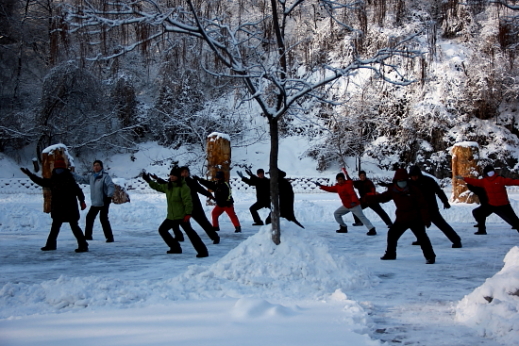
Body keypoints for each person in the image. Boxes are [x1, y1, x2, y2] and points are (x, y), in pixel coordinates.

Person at [367, 168, 436, 264]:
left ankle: (430, 257)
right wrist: (368, 199)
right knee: (392, 234)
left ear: (406, 180)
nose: (401, 182)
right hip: (402, 218)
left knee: (422, 238)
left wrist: (426, 219)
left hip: (415, 218)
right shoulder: (393, 190)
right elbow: (383, 197)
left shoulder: (414, 189)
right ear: (396, 181)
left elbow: (422, 204)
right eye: (399, 180)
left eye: (403, 180)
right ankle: (391, 254)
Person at [20, 159, 89, 252]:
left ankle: (83, 245)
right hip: (59, 207)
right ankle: (51, 245)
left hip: (69, 207)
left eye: (60, 168)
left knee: (72, 226)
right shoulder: (54, 179)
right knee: (56, 227)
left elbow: (78, 191)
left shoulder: (69, 179)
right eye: (57, 168)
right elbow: (41, 182)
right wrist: (30, 175)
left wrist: (82, 201)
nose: (58, 170)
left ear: (64, 169)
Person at [142, 167, 208, 257]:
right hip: (172, 216)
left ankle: (203, 251)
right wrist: (148, 180)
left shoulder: (183, 187)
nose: (172, 177)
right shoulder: (169, 186)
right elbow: (158, 186)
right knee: (162, 230)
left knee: (191, 233)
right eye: (171, 175)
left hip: (182, 216)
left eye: (174, 175)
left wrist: (188, 213)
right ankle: (175, 247)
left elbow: (188, 201)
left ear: (178, 177)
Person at [408, 165, 462, 248]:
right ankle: (421, 239)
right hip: (418, 208)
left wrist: (445, 201)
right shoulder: (410, 183)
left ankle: (456, 240)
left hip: (431, 208)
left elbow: (439, 191)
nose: (414, 178)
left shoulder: (429, 181)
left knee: (442, 225)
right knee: (417, 224)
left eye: (415, 176)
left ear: (419, 174)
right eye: (412, 176)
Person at [458, 164, 519, 234]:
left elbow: (474, 182)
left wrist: (464, 179)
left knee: (514, 220)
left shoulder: (486, 181)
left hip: (498, 204)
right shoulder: (497, 180)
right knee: (514, 219)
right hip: (497, 204)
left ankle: (482, 230)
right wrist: (464, 179)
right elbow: (513, 181)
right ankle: (481, 230)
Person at [316, 168, 376, 235]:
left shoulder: (348, 185)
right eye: (338, 180)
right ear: (337, 180)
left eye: (341, 179)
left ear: (344, 179)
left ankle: (372, 229)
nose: (340, 181)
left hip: (354, 205)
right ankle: (343, 227)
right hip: (346, 205)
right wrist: (321, 186)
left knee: (362, 217)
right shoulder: (338, 186)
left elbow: (352, 193)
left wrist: (353, 201)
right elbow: (330, 189)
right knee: (337, 214)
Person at [72, 160, 115, 242]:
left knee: (103, 219)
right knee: (89, 218)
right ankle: (88, 236)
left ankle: (109, 237)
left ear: (101, 167)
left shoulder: (105, 176)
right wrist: (72, 174)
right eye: (94, 165)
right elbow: (82, 180)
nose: (96, 167)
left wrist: (109, 195)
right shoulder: (91, 176)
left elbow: (110, 186)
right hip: (95, 202)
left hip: (104, 201)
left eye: (98, 165)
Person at [179, 166, 220, 244]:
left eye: (186, 172)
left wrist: (209, 195)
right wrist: (157, 180)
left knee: (203, 222)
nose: (185, 173)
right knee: (183, 223)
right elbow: (167, 186)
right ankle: (181, 237)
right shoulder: (177, 182)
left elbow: (200, 189)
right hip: (184, 207)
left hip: (195, 206)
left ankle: (215, 236)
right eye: (183, 172)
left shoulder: (192, 182)